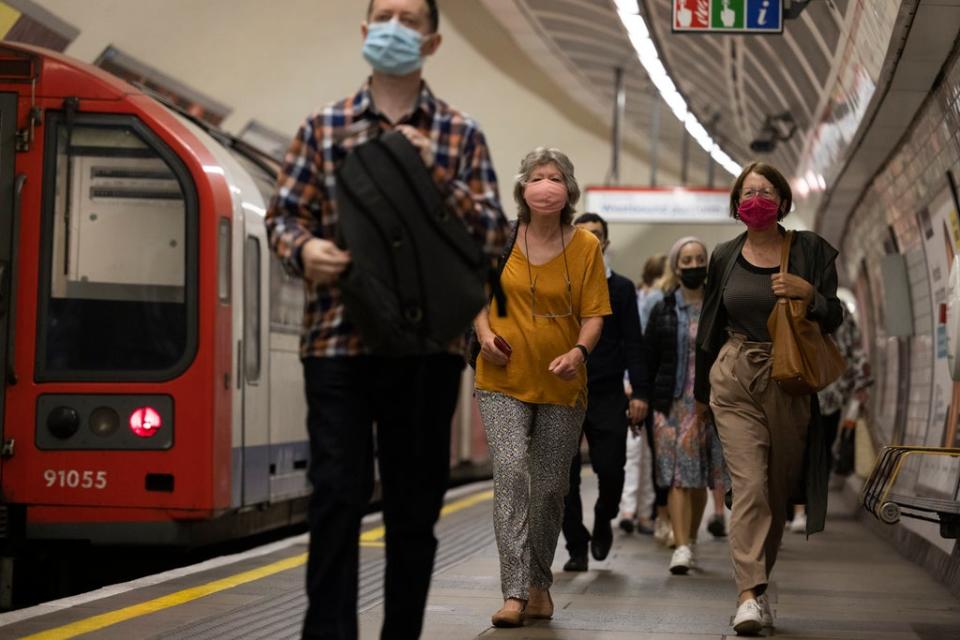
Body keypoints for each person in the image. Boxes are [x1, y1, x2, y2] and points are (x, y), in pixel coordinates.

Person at [265, 2, 509, 637]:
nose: (394, 27)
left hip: (427, 350)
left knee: (412, 511)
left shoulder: (460, 135)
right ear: (364, 32)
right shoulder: (324, 128)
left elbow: (492, 239)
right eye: (384, 15)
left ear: (431, 42)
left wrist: (432, 172)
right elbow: (284, 217)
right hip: (336, 344)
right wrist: (303, 249)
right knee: (336, 500)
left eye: (409, 18)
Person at [694, 161, 843, 635]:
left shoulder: (809, 250)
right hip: (735, 374)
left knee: (775, 495)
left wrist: (809, 294)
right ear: (737, 203)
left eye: (765, 190)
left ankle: (757, 589)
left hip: (788, 377)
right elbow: (709, 327)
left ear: (782, 200)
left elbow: (835, 315)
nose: (755, 198)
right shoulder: (725, 255)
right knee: (751, 485)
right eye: (747, 191)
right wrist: (700, 395)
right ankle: (746, 597)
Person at [474, 148, 610, 627]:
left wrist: (578, 353)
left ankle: (538, 585)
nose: (546, 185)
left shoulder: (586, 247)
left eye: (555, 177)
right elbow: (478, 298)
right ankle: (513, 593)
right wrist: (485, 336)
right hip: (502, 380)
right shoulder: (499, 240)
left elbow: (594, 315)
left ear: (569, 190)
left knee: (551, 488)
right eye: (537, 177)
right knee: (511, 474)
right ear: (523, 188)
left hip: (562, 382)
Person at [561, 212, 647, 572]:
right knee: (561, 477)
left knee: (612, 469)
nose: (591, 240)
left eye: (597, 234)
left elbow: (633, 343)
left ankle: (603, 517)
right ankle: (576, 547)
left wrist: (639, 392)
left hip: (608, 392)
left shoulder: (622, 289)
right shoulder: (559, 283)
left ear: (606, 242)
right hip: (563, 391)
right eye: (584, 234)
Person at [639, 237, 726, 575]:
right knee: (676, 475)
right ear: (676, 266)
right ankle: (682, 545)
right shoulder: (663, 308)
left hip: (707, 403)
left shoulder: (718, 308)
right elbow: (649, 356)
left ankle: (690, 538)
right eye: (686, 260)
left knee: (698, 476)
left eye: (699, 259)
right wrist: (642, 396)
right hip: (669, 403)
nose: (693, 266)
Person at [790, 308, 871, 532]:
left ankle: (808, 505)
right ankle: (798, 507)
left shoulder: (841, 312)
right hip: (801, 391)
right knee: (803, 450)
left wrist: (861, 385)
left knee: (820, 451)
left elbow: (854, 352)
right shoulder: (794, 305)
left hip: (830, 395)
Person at [618, 254, 667, 536]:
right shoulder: (655, 299)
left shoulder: (637, 295)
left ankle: (632, 509)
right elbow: (637, 344)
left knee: (637, 451)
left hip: (636, 385)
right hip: (643, 386)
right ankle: (641, 512)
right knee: (644, 452)